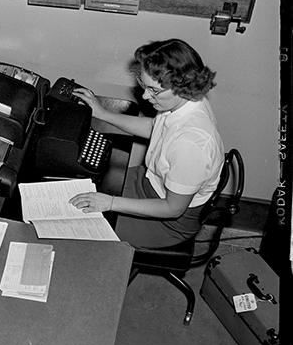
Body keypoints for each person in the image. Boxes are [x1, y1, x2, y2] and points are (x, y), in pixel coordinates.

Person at [69, 38, 224, 249]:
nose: (145, 95)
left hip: (168, 221)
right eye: (144, 86)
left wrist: (110, 203)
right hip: (149, 183)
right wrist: (104, 114)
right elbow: (155, 128)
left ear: (182, 85)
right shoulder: (187, 102)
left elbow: (172, 209)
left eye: (154, 91)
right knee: (78, 189)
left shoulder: (192, 144)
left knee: (80, 230)